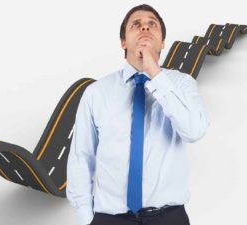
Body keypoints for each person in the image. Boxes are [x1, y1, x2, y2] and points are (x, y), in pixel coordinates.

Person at [66, 4, 210, 225]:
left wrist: (155, 74)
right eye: (136, 24)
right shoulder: (96, 92)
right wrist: (86, 217)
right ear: (124, 42)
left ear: (162, 42)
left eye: (152, 24)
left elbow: (194, 130)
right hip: (109, 218)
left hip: (169, 217)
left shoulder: (182, 84)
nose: (145, 28)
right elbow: (81, 158)